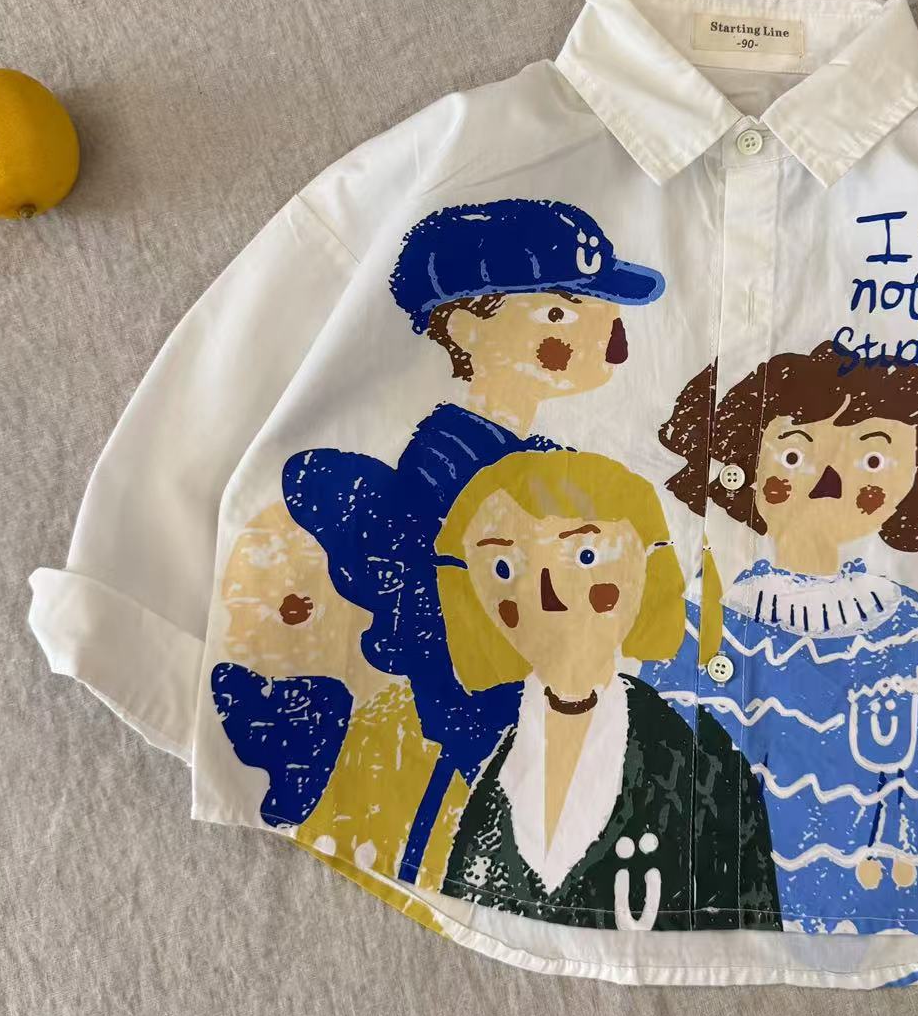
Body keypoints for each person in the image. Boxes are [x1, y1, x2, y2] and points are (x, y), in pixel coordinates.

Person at [283, 198, 666, 878]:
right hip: (486, 747)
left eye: (597, 309)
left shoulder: (533, 461)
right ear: (466, 329)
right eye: (559, 313)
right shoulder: (451, 473)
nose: (599, 332)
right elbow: (456, 639)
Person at [643, 342, 918, 933]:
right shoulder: (698, 617)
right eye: (794, 453)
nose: (830, 479)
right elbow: (655, 769)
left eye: (872, 458)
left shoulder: (913, 626)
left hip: (881, 908)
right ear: (747, 463)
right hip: (710, 904)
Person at [436, 449, 780, 930]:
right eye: (505, 567)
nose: (547, 594)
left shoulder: (705, 767)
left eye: (586, 556)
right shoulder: (480, 778)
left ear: (648, 569)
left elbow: (750, 927)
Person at [210, 502, 465, 934]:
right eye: (236, 615)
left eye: (292, 610)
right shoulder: (297, 727)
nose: (238, 643)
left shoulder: (414, 730)